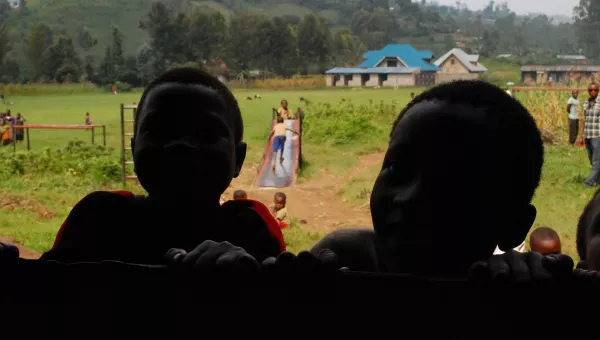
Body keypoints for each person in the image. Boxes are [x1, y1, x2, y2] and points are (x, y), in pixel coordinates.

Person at [41, 68, 285, 265]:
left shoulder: (252, 229)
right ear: (133, 151)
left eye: (206, 133)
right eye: (160, 130)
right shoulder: (96, 218)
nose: (181, 145)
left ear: (238, 159)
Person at [311, 80, 543, 277]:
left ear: (514, 226)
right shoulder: (338, 261)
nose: (410, 198)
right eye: (396, 168)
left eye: (452, 182)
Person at [579, 83, 600, 188]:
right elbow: (585, 120)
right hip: (588, 135)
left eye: (595, 90)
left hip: (597, 135)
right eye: (591, 90)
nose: (593, 92)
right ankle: (598, 180)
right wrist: (581, 136)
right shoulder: (586, 103)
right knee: (592, 159)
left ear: (598, 91)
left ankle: (589, 183)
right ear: (588, 91)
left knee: (597, 160)